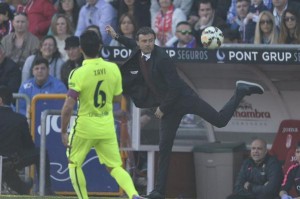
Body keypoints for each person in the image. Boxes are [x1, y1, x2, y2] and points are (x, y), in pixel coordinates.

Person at [106, 26, 265, 199]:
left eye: (151, 41)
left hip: (183, 99)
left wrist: (162, 108)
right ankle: (158, 192)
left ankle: (240, 91)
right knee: (164, 148)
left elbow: (174, 88)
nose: (148, 44)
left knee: (220, 121)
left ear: (154, 40)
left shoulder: (162, 58)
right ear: (139, 42)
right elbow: (131, 44)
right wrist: (116, 36)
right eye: (144, 41)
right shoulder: (140, 50)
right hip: (169, 107)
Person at [60, 30, 145, 199]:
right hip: (106, 124)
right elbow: (117, 97)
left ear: (81, 49)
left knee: (74, 164)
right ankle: (133, 194)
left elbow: (68, 107)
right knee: (114, 166)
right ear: (100, 47)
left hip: (85, 124)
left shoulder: (77, 73)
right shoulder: (113, 68)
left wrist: (63, 131)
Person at [0, 85, 54, 195]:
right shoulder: (19, 119)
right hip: (11, 159)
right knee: (40, 153)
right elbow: (28, 145)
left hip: (4, 161)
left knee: (6, 167)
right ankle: (46, 190)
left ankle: (23, 187)